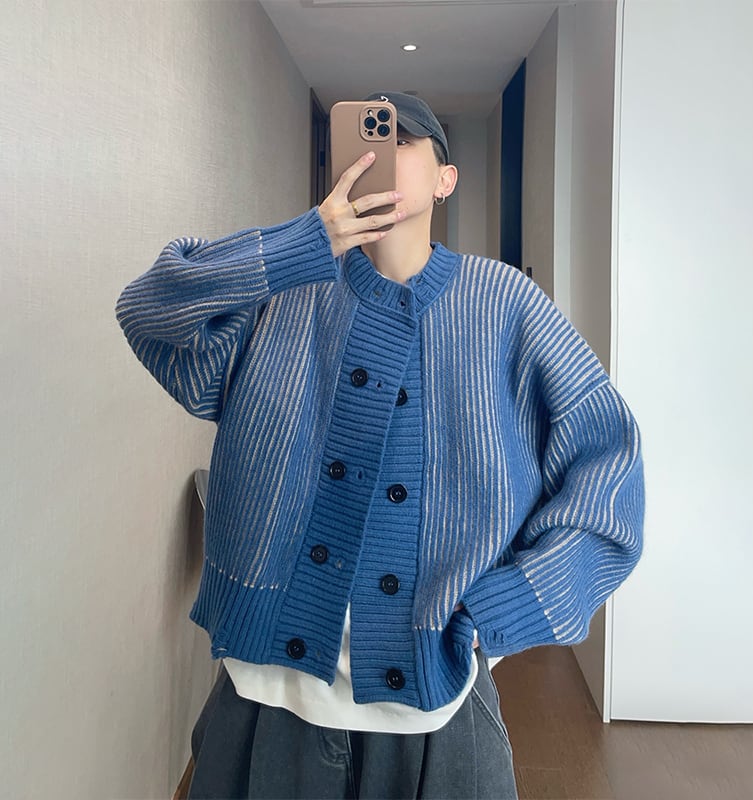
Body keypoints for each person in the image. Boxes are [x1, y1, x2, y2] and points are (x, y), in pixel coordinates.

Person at [116, 91, 644, 799]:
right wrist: (309, 241)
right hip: (265, 695)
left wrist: (501, 609)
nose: (379, 154)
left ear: (446, 179)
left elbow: (610, 464)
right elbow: (150, 309)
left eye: (402, 140)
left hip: (438, 704)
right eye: (365, 138)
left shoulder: (506, 304)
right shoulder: (288, 292)